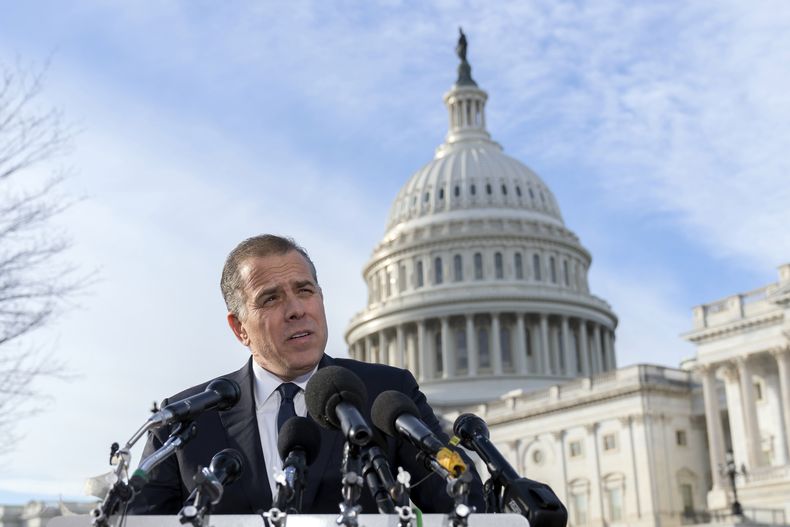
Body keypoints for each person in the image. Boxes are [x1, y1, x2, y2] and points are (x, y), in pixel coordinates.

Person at [129, 234, 484, 515]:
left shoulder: (386, 394)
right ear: (240, 329)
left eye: (304, 290)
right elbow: (135, 520)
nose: (297, 310)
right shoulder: (185, 420)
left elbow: (462, 493)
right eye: (270, 299)